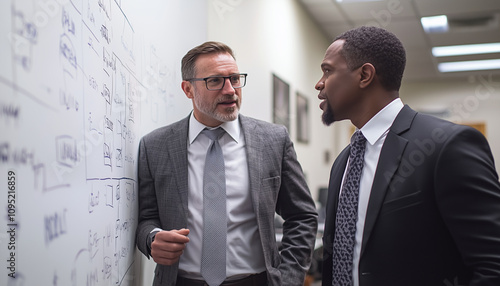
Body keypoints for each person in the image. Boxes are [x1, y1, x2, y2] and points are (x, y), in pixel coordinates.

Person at [316, 26, 500, 286]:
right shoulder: (344, 161)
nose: (319, 83)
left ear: (365, 75)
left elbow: (492, 265)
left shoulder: (447, 146)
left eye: (327, 70)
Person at [136, 41, 318, 286]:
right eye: (215, 81)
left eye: (234, 78)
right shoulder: (155, 146)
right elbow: (146, 217)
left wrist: (288, 279)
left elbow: (302, 215)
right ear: (188, 89)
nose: (230, 90)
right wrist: (152, 238)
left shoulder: (273, 140)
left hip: (255, 281)